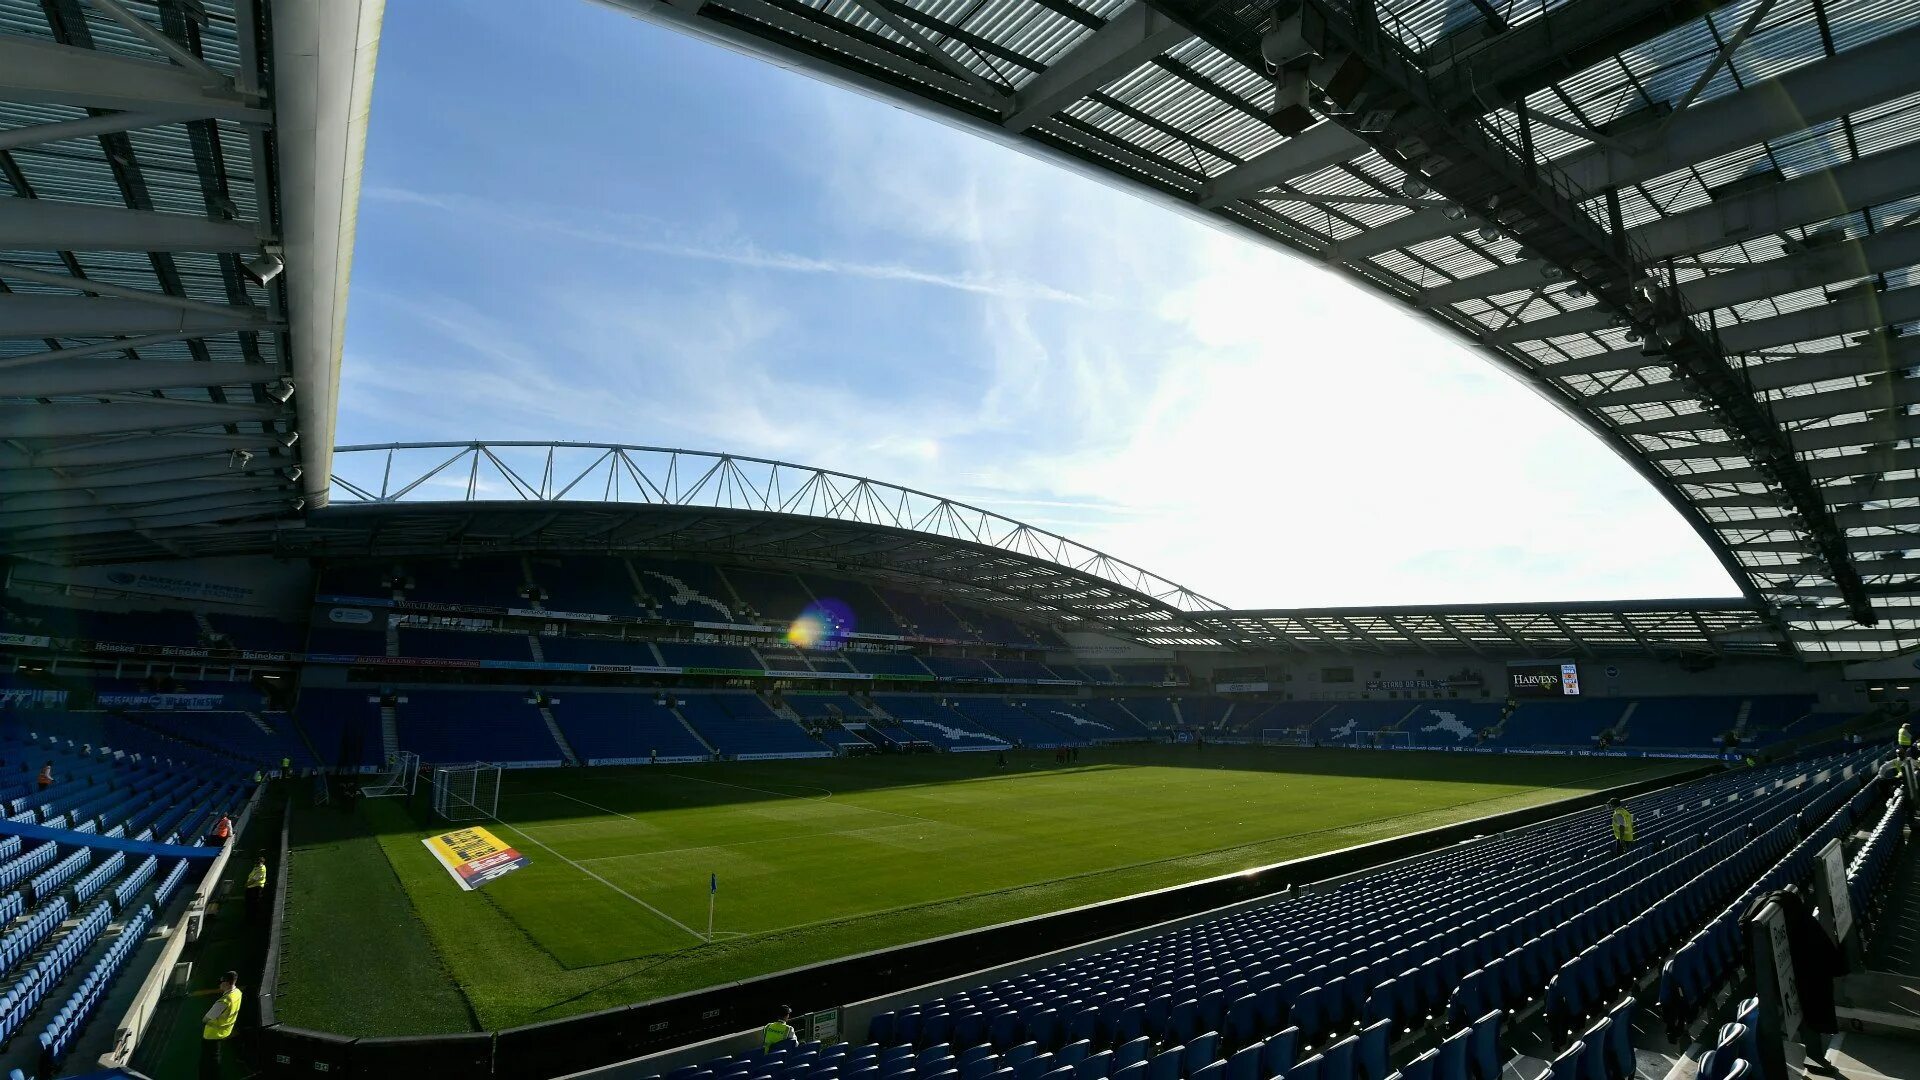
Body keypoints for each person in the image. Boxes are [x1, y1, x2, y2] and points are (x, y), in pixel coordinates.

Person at [201, 969, 243, 1078]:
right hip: (226, 1031)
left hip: (212, 1035)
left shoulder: (223, 1002)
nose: (220, 984)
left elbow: (205, 1019)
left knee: (210, 1061)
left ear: (228, 983)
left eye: (222, 982)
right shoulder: (238, 993)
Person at [245, 855, 267, 922]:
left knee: (254, 902)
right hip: (252, 886)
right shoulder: (257, 867)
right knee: (252, 901)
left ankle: (254, 917)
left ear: (261, 863)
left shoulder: (261, 869)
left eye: (258, 863)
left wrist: (246, 885)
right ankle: (252, 915)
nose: (256, 864)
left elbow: (254, 879)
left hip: (255, 887)